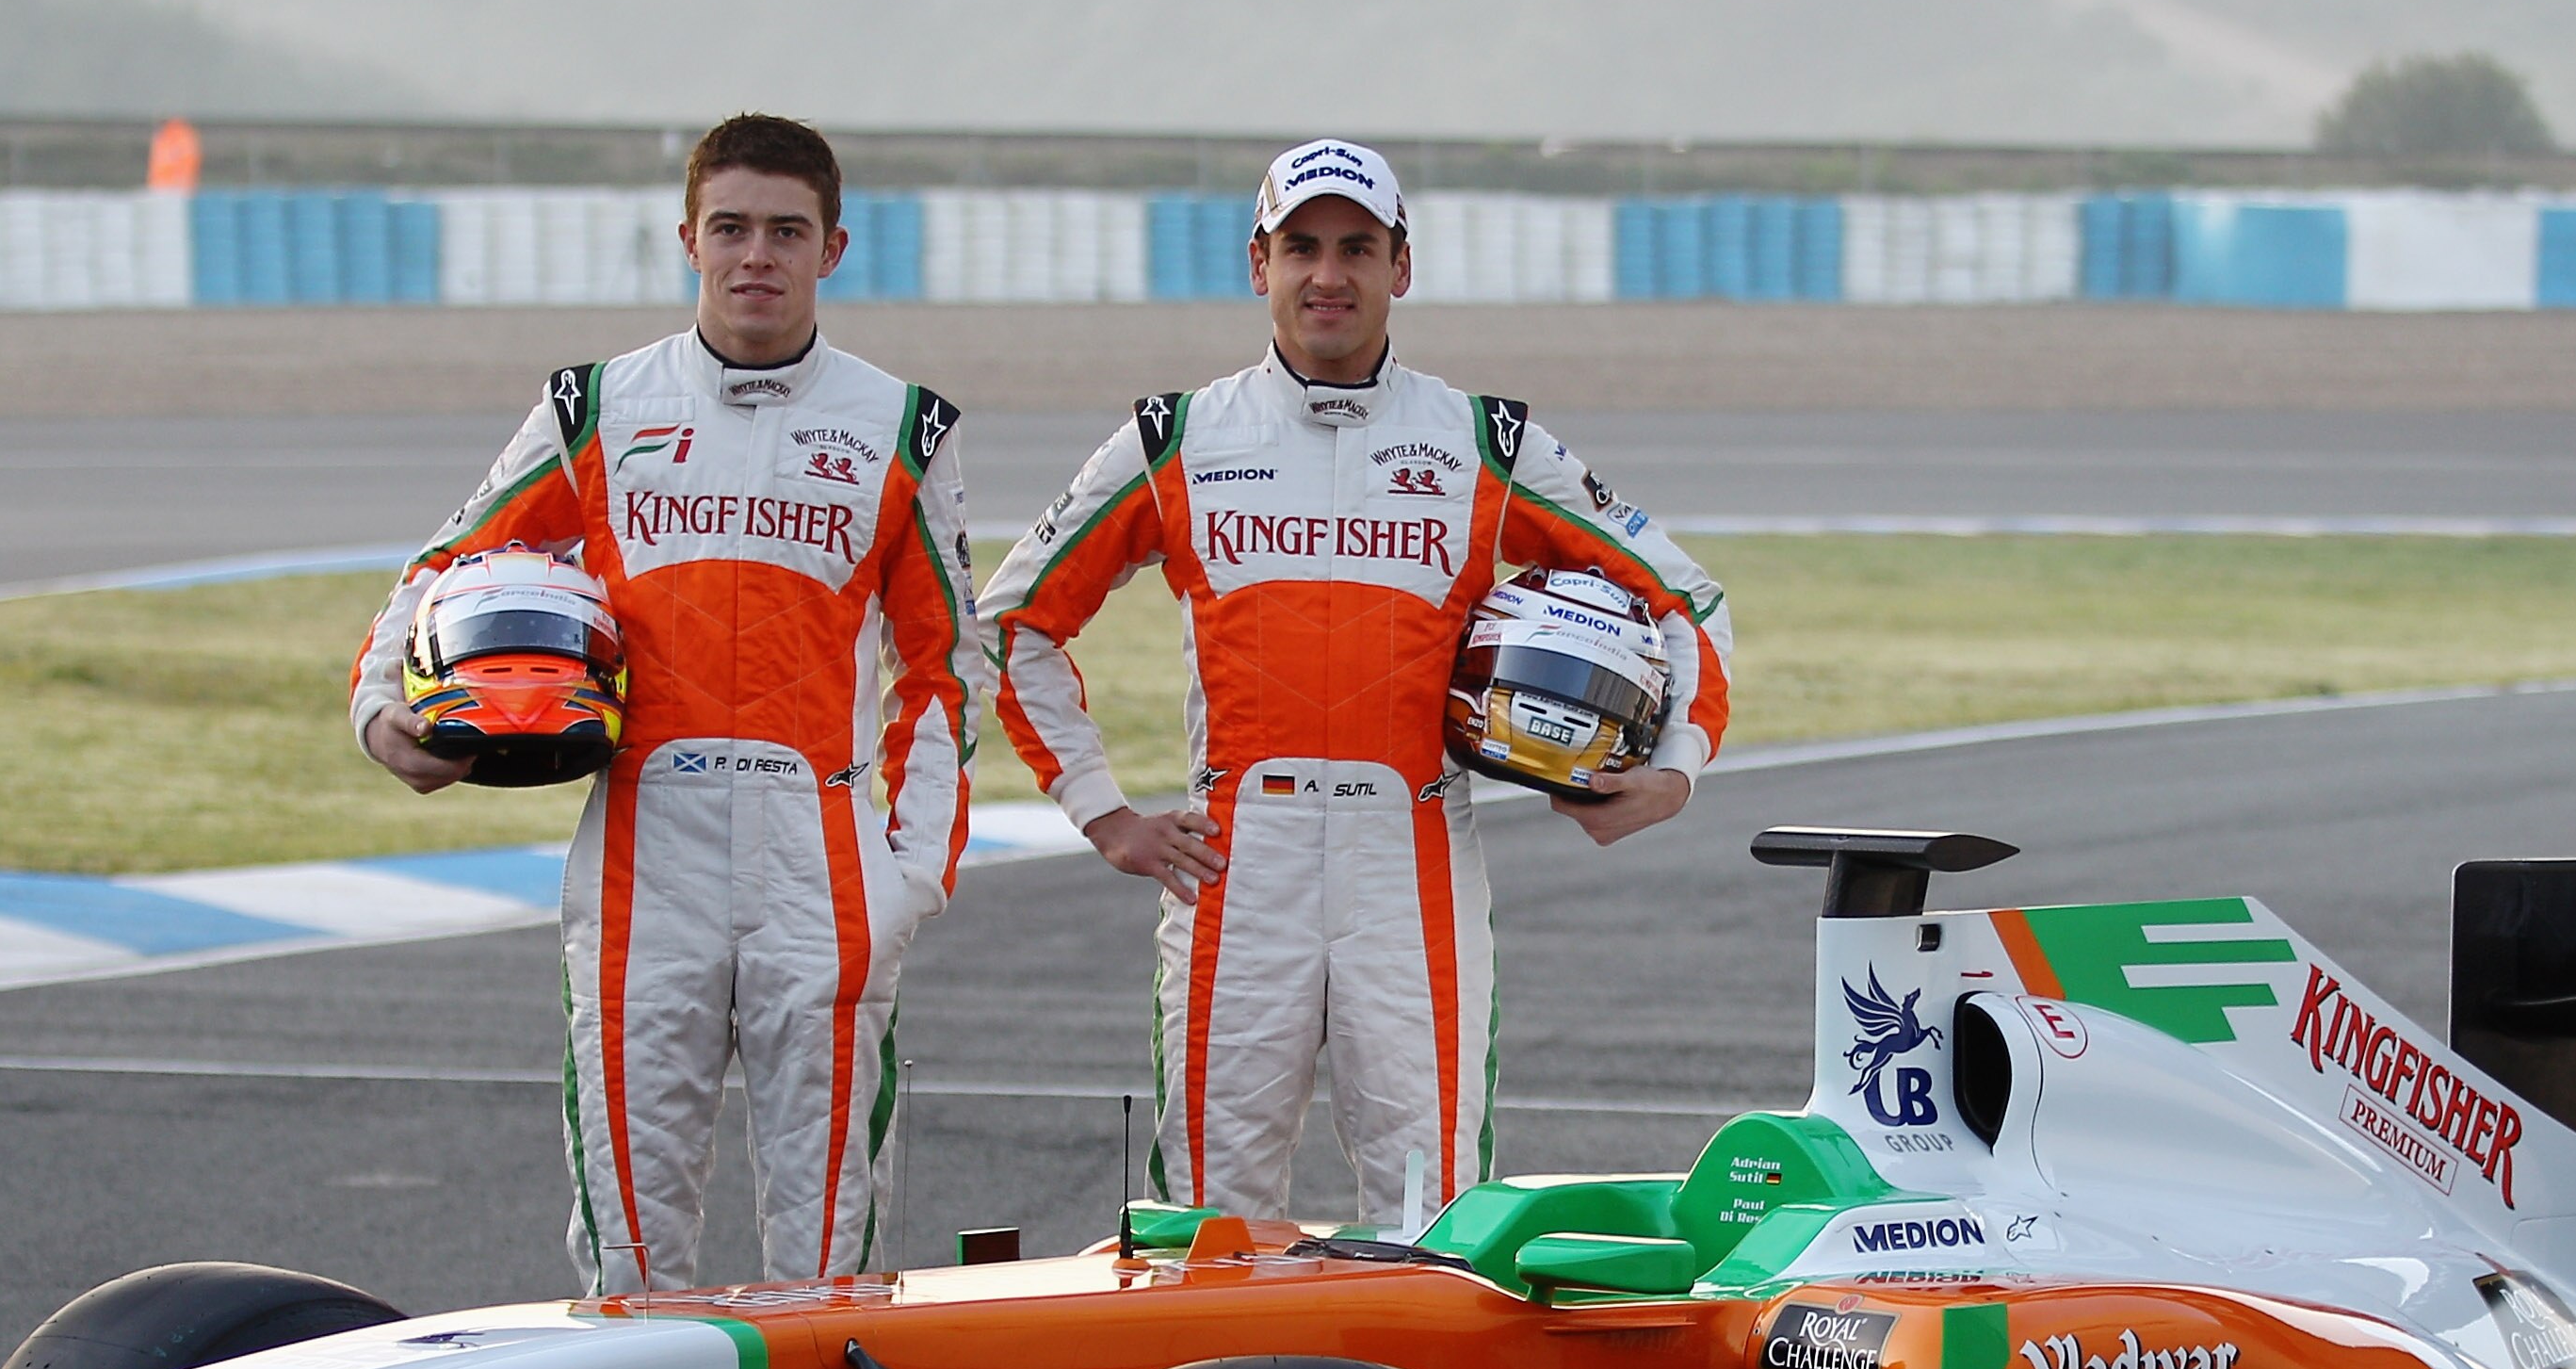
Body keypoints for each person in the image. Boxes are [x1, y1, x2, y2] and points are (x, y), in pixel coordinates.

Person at [980, 138, 1732, 1226]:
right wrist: (1102, 812)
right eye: (1302, 248)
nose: (1327, 274)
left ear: (1400, 267)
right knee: (1213, 1225)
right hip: (1237, 868)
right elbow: (1013, 624)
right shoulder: (1178, 438)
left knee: (1436, 1213)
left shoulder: (1485, 442)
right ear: (1260, 264)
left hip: (1412, 864)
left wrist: (1676, 767)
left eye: (1356, 248)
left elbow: (1684, 598)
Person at [356, 113, 985, 1292]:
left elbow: (943, 668)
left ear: (833, 249)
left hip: (822, 858)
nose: (758, 256)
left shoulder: (902, 428)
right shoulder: (597, 406)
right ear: (688, 238)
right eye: (731, 228)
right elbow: (448, 562)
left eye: (786, 231)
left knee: (830, 1253)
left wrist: (914, 875)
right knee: (629, 1252)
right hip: (644, 851)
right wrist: (383, 710)